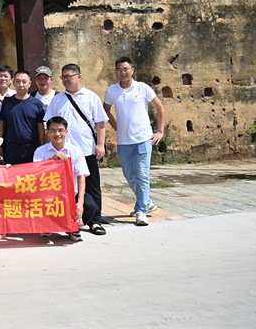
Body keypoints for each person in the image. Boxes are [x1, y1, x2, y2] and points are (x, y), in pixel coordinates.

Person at [43, 63, 108, 235]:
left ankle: (95, 221)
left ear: (78, 77)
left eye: (69, 76)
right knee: (63, 187)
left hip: (86, 150)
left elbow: (100, 123)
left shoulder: (91, 97)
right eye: (63, 76)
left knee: (92, 186)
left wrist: (100, 144)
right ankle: (67, 220)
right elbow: (48, 124)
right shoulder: (57, 99)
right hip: (63, 153)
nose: (66, 79)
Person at [103, 56, 166, 227]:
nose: (122, 72)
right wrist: (116, 126)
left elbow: (160, 108)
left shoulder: (142, 88)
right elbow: (105, 110)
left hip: (143, 139)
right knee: (129, 175)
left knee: (142, 174)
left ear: (132, 70)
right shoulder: (111, 91)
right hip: (124, 141)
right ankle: (147, 202)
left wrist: (160, 131)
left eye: (125, 69)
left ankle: (141, 211)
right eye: (119, 70)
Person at [33, 116, 94, 243]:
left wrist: (80, 203)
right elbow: (36, 174)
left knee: (90, 206)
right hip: (48, 195)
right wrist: (52, 160)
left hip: (71, 195)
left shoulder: (76, 151)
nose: (57, 134)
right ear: (47, 132)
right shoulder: (40, 151)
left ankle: (73, 228)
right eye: (53, 130)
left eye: (60, 130)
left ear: (66, 132)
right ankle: (48, 225)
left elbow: (81, 177)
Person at [0, 70, 46, 164]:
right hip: (11, 150)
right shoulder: (7, 102)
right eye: (18, 81)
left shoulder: (37, 104)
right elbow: (1, 125)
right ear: (13, 83)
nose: (21, 84)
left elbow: (40, 128)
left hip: (31, 149)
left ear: (29, 84)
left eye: (24, 81)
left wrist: (42, 147)